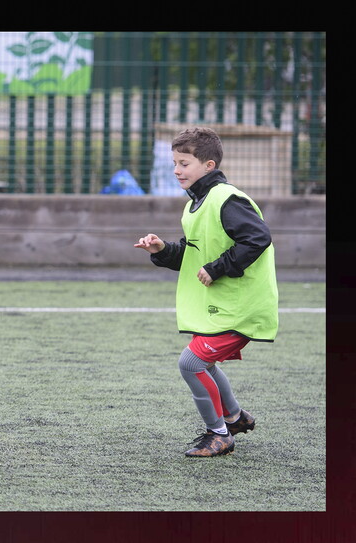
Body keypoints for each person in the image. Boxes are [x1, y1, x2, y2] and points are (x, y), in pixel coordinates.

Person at [134, 126, 278, 457]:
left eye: (184, 163)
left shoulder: (227, 199)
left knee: (191, 362)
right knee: (203, 363)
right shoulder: (197, 204)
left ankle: (220, 434)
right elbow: (193, 256)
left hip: (242, 306)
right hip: (224, 305)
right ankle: (234, 417)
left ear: (208, 165)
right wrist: (161, 250)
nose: (176, 170)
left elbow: (258, 238)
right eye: (175, 162)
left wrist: (217, 268)